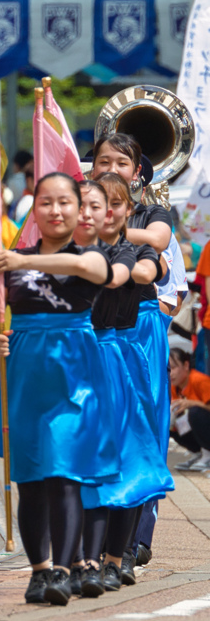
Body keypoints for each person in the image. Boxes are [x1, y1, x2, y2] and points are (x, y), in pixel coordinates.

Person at [0, 172, 116, 606]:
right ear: (33, 209)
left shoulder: (87, 255)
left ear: (79, 210)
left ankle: (63, 567)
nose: (56, 211)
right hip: (23, 375)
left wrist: (22, 263)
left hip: (74, 376)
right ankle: (39, 571)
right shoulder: (10, 259)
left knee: (65, 476)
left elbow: (89, 270)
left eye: (65, 203)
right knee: (31, 480)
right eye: (46, 203)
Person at [71, 178, 172, 597]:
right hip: (78, 361)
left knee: (129, 463)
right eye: (94, 204)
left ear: (128, 211)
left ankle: (116, 558)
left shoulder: (138, 250)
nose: (102, 212)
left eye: (114, 205)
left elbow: (147, 271)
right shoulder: (67, 252)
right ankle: (83, 559)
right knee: (79, 466)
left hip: (120, 361)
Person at [169, 348, 210, 471]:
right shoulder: (174, 387)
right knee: (167, 421)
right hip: (199, 428)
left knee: (195, 412)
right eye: (167, 369)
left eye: (173, 367)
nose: (170, 373)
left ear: (186, 365)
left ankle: (208, 453)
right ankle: (199, 454)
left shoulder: (199, 380)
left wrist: (193, 403)